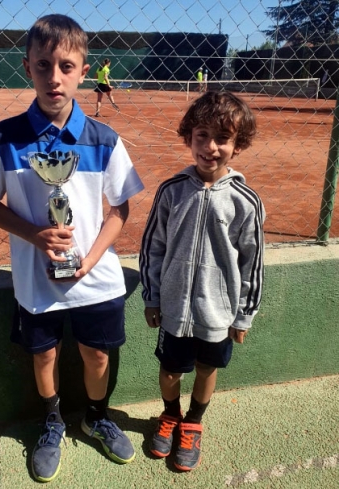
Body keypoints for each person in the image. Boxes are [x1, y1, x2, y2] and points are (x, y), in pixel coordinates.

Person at [0, 14, 144, 483]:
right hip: (36, 279)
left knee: (98, 355)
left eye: (66, 66)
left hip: (94, 278)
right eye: (44, 65)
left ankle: (96, 414)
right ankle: (52, 421)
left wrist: (87, 260)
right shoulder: (5, 137)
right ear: (27, 67)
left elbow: (120, 211)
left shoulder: (104, 140)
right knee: (43, 355)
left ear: (84, 72)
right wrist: (35, 234)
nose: (54, 77)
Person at [139, 91, 265, 472]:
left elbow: (252, 263)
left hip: (218, 312)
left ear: (237, 145)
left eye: (222, 139)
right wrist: (152, 296)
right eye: (201, 135)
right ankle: (171, 414)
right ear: (189, 137)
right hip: (175, 308)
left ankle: (193, 422)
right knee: (171, 369)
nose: (210, 147)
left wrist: (243, 315)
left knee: (208, 370)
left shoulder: (245, 201)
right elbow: (153, 247)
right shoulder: (171, 191)